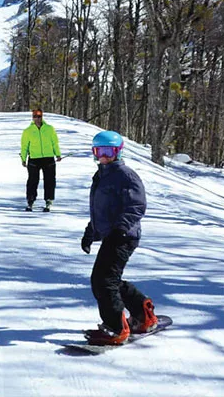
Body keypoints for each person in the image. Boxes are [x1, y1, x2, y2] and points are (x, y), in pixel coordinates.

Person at [80, 130, 157, 346]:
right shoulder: (102, 175)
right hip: (113, 235)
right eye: (99, 151)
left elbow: (137, 206)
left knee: (102, 281)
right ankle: (143, 313)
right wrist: (90, 233)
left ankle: (115, 328)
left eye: (108, 151)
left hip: (123, 236)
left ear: (118, 152)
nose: (103, 156)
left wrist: (121, 229)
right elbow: (102, 211)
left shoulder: (126, 175)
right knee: (109, 281)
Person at [20, 108, 61, 212]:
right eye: (35, 116)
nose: (37, 119)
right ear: (32, 118)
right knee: (32, 181)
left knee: (50, 181)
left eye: (39, 116)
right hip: (34, 159)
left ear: (42, 117)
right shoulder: (28, 131)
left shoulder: (49, 129)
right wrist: (23, 158)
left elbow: (54, 142)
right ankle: (30, 200)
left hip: (48, 158)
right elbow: (24, 146)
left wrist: (58, 154)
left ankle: (49, 200)